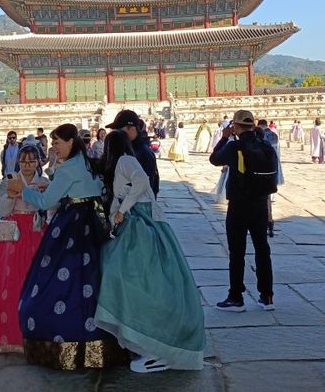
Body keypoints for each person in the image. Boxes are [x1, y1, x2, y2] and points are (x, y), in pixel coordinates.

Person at [8, 123, 126, 370]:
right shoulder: (88, 161)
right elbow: (80, 189)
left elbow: (45, 202)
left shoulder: (67, 169)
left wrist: (24, 190)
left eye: (57, 142)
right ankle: (104, 342)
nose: (54, 147)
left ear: (71, 141)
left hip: (70, 227)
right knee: (92, 280)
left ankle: (62, 343)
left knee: (59, 281)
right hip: (92, 227)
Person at [96, 131, 205, 373]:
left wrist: (123, 209)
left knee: (135, 274)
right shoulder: (123, 162)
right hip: (134, 221)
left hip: (141, 222)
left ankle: (153, 343)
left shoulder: (125, 160)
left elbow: (142, 182)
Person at [0, 145, 48, 352]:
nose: (27, 165)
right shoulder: (9, 181)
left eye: (32, 161)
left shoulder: (44, 182)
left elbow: (49, 207)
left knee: (35, 278)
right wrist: (12, 196)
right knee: (9, 278)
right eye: (23, 161)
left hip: (36, 230)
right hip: (14, 233)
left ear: (38, 163)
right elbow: (0, 209)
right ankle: (7, 334)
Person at [209, 110, 276, 312]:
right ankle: (267, 296)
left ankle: (236, 296)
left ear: (236, 127)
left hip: (239, 204)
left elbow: (214, 159)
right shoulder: (265, 145)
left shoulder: (234, 146)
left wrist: (224, 137)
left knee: (237, 251)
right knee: (262, 248)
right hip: (260, 203)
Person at [107, 110, 159, 198]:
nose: (115, 133)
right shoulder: (124, 149)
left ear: (132, 128)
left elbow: (147, 186)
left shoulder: (143, 153)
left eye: (119, 130)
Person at [257, 120, 283, 238]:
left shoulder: (258, 136)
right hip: (273, 168)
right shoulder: (274, 135)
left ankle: (263, 223)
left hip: (259, 171)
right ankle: (270, 223)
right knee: (268, 198)